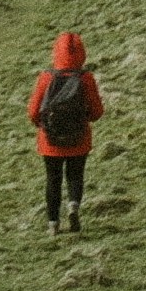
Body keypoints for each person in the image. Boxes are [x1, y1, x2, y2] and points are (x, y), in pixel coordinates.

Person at [26, 32, 106, 234]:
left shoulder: (46, 78)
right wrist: (83, 118)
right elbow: (97, 112)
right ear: (82, 53)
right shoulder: (86, 78)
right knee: (75, 175)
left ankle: (53, 224)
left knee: (53, 179)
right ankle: (73, 206)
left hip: (50, 141)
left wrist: (43, 126)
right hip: (79, 139)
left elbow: (33, 112)